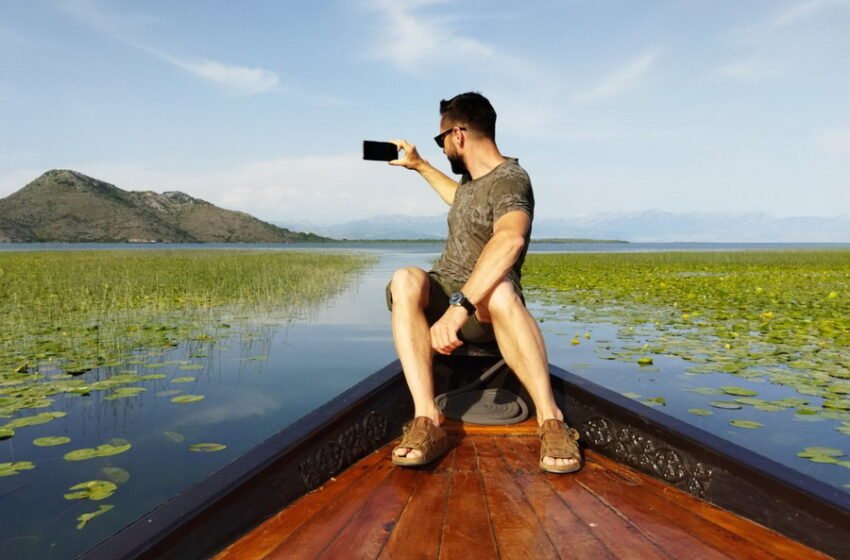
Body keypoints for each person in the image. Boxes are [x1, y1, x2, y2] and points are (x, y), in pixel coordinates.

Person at [384, 92, 581, 474]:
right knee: (405, 278)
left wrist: (458, 308)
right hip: (451, 294)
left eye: (440, 140)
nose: (441, 148)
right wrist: (420, 165)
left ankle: (551, 419)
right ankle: (427, 420)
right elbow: (458, 199)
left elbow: (510, 239)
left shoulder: (510, 180)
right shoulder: (473, 184)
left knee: (502, 290)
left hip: (487, 312)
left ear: (458, 135)